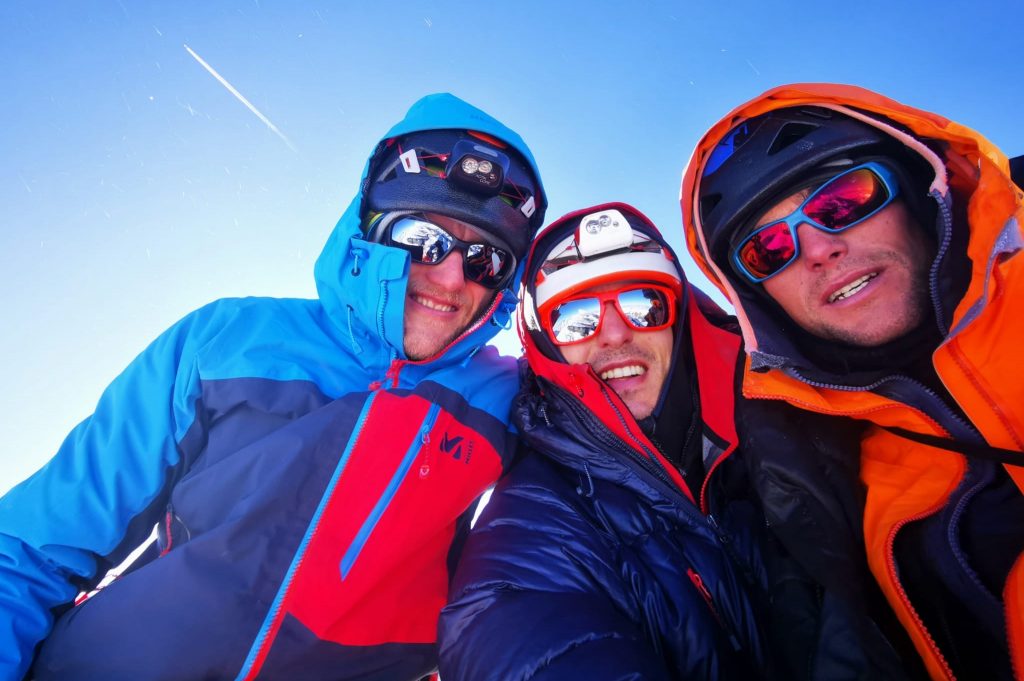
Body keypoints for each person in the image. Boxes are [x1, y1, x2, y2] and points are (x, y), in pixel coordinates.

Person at [0, 93, 546, 680]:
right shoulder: (229, 338)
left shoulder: (511, 402)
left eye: (486, 260)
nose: (449, 276)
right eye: (422, 239)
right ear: (369, 230)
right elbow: (35, 547)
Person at [680, 83, 1024, 680]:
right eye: (767, 250)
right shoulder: (819, 477)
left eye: (844, 200)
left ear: (919, 192)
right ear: (758, 301)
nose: (816, 248)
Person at [438, 203, 769, 680]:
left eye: (643, 305)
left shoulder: (783, 435)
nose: (615, 334)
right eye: (575, 318)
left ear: (680, 320)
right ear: (545, 346)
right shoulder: (530, 531)